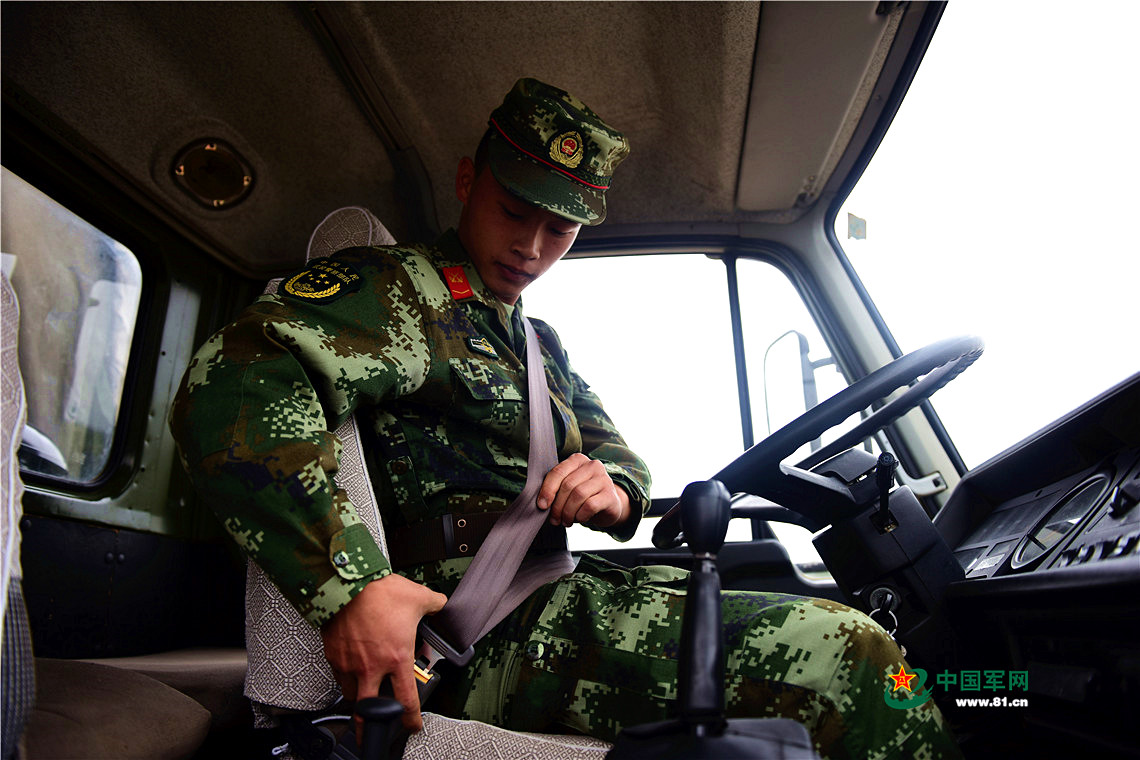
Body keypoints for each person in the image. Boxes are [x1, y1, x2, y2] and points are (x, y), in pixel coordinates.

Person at [169, 78, 959, 759]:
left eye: (562, 229)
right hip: (470, 632)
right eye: (516, 212)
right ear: (469, 180)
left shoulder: (536, 342)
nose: (534, 248)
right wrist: (352, 584)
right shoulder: (398, 291)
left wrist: (610, 488)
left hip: (555, 587)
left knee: (835, 628)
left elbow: (622, 460)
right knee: (855, 655)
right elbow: (231, 383)